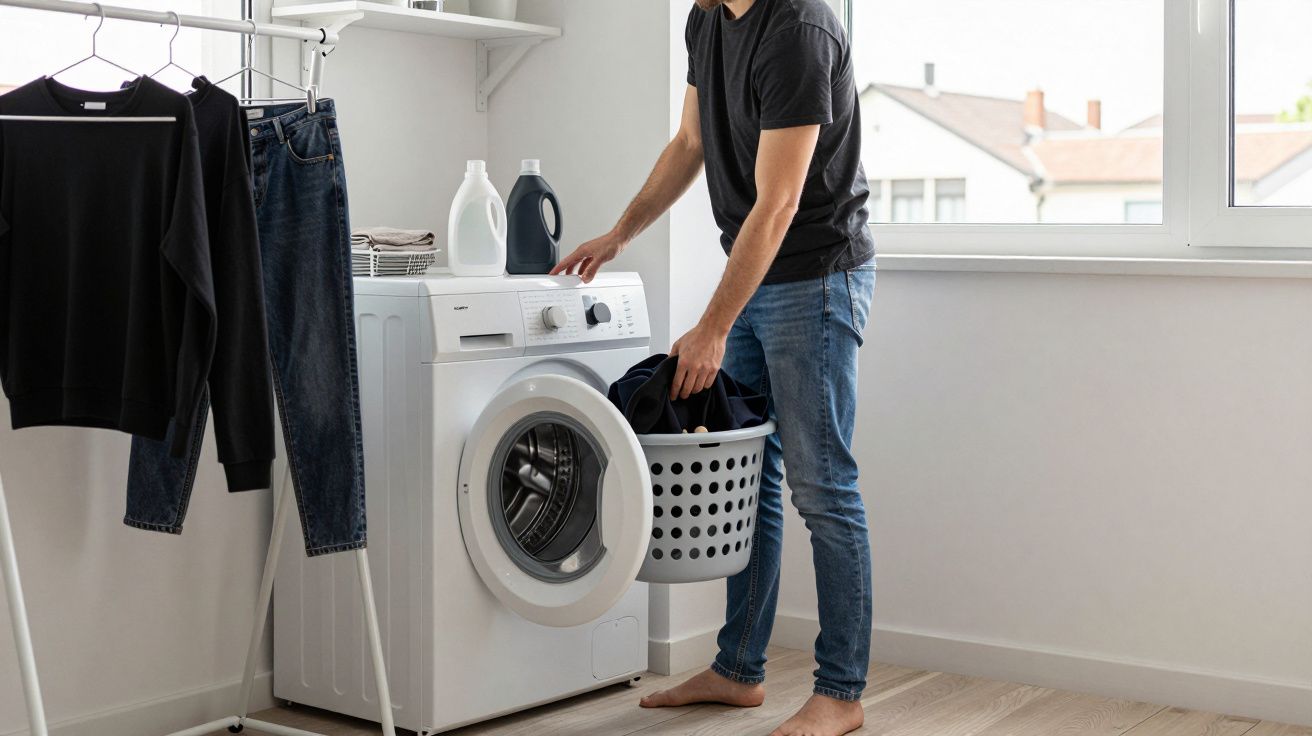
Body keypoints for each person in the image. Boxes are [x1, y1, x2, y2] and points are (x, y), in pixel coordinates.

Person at [551, 0, 875, 733]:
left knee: (824, 488)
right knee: (747, 478)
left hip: (816, 277)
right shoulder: (707, 21)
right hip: (760, 273)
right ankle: (737, 671)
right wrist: (620, 232)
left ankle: (841, 692)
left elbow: (779, 202)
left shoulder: (799, 31)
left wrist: (712, 327)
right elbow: (690, 141)